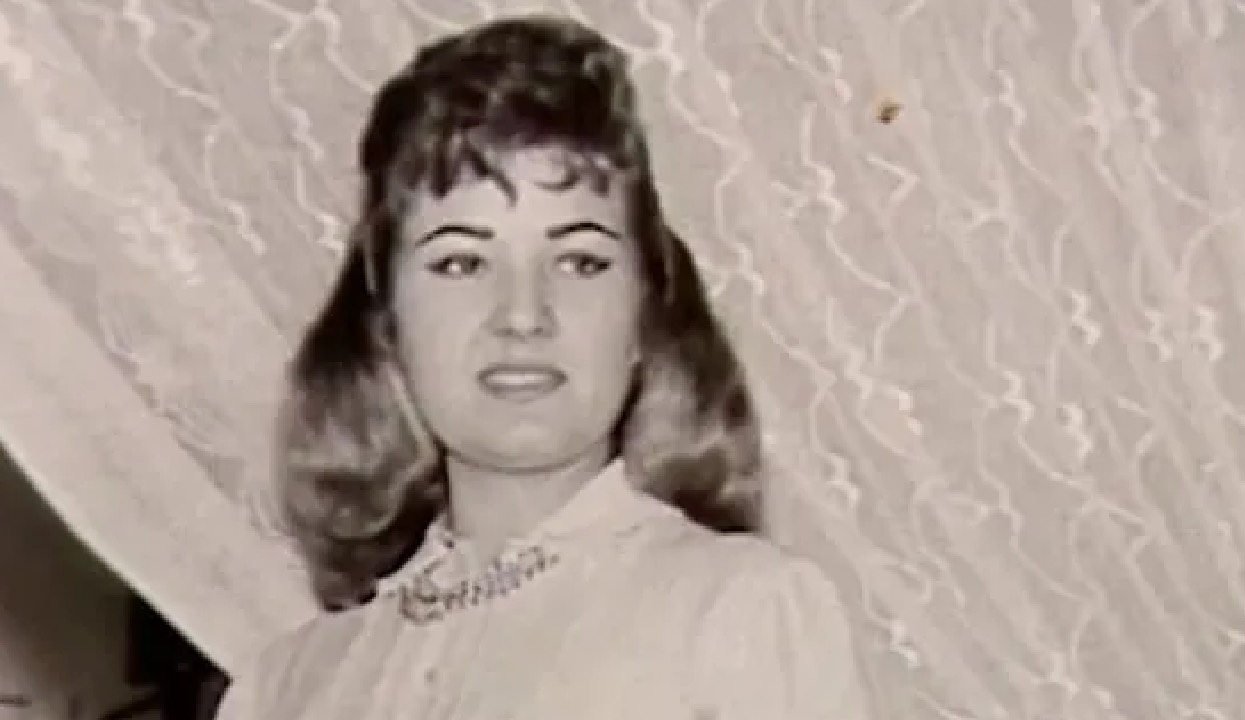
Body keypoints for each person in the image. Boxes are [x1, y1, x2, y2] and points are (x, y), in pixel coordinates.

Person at [215, 13, 861, 720]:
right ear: (387, 320)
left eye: (579, 261)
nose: (523, 315)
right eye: (461, 263)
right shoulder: (285, 687)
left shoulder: (739, 613)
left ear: (644, 312)